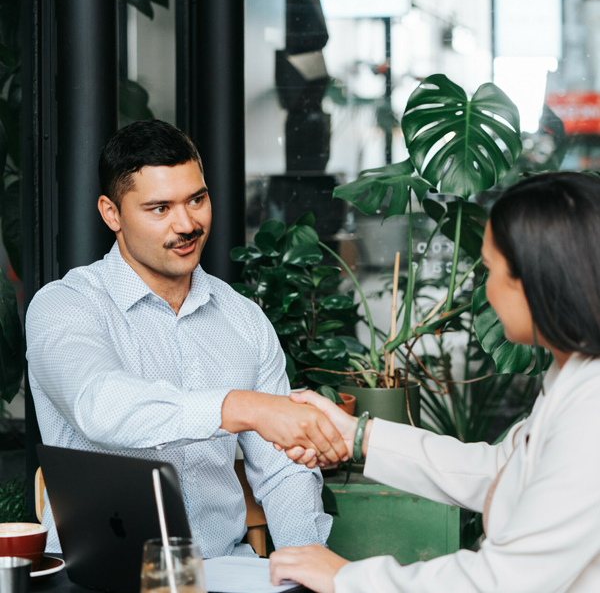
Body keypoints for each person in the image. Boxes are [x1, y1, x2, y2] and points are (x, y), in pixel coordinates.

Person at [26, 119, 347, 556]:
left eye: (197, 199)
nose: (187, 224)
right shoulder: (64, 306)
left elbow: (283, 469)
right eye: (160, 209)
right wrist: (239, 407)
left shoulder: (244, 319)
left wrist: (304, 562)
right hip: (102, 576)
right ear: (111, 213)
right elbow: (98, 405)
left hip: (224, 571)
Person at [270, 171, 600, 593]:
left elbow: (505, 582)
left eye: (489, 269)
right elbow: (501, 472)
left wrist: (344, 577)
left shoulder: (591, 413)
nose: (483, 289)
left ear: (536, 282)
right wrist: (356, 435)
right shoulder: (572, 374)